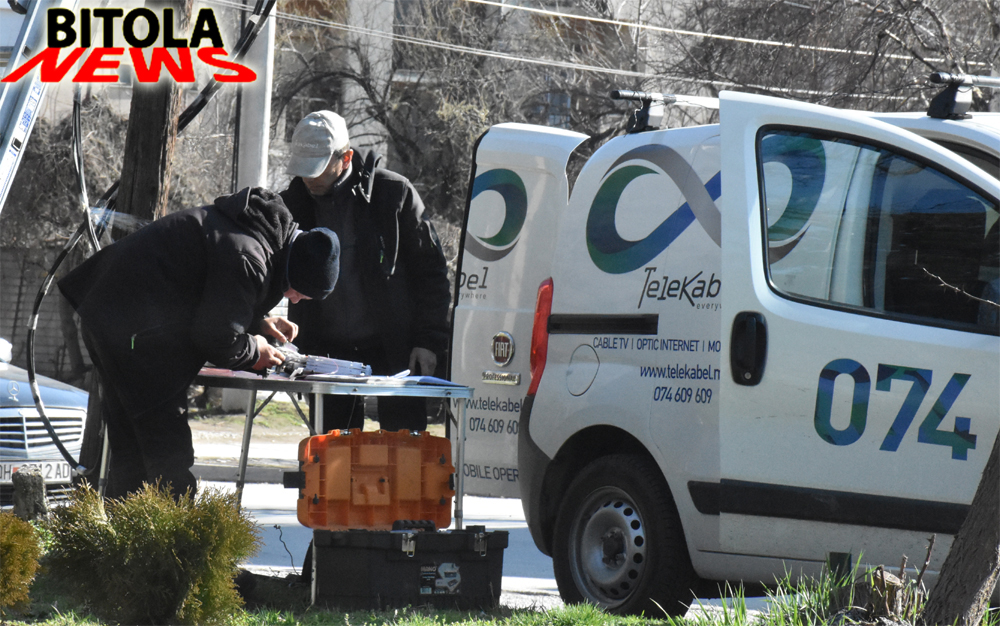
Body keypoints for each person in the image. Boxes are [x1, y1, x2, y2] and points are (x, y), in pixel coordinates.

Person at [58, 187, 341, 499]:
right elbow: (216, 337)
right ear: (295, 270)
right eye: (301, 292)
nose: (296, 300)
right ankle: (173, 526)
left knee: (133, 447)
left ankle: (127, 522)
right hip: (136, 329)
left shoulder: (253, 233)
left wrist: (258, 322)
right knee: (167, 454)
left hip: (113, 312)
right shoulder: (249, 256)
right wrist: (254, 353)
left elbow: (210, 294)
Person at [280, 111, 450, 432]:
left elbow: (431, 275)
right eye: (303, 168)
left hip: (396, 351)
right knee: (332, 452)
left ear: (344, 158)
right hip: (325, 355)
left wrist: (429, 341)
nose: (308, 178)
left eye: (317, 168)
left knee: (402, 450)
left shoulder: (394, 194)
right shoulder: (290, 205)